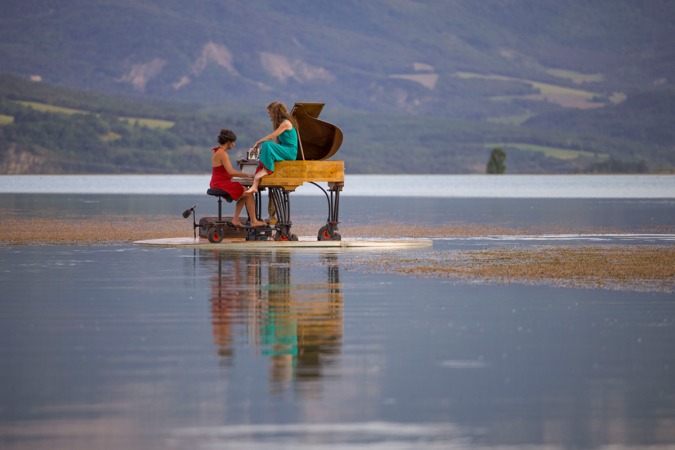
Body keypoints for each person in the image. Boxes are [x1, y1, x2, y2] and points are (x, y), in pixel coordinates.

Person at [210, 129, 265, 227]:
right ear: (228, 142)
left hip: (218, 182)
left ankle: (246, 220)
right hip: (220, 184)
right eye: (233, 142)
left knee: (247, 192)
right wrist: (247, 175)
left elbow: (225, 172)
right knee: (248, 192)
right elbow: (231, 172)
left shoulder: (216, 151)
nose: (234, 144)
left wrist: (241, 176)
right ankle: (250, 221)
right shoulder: (222, 153)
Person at [244, 101, 298, 195]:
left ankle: (267, 170)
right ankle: (255, 185)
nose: (269, 115)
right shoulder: (281, 123)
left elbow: (272, 136)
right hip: (284, 149)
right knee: (267, 147)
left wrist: (258, 142)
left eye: (270, 113)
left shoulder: (286, 123)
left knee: (267, 144)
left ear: (275, 112)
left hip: (290, 151)